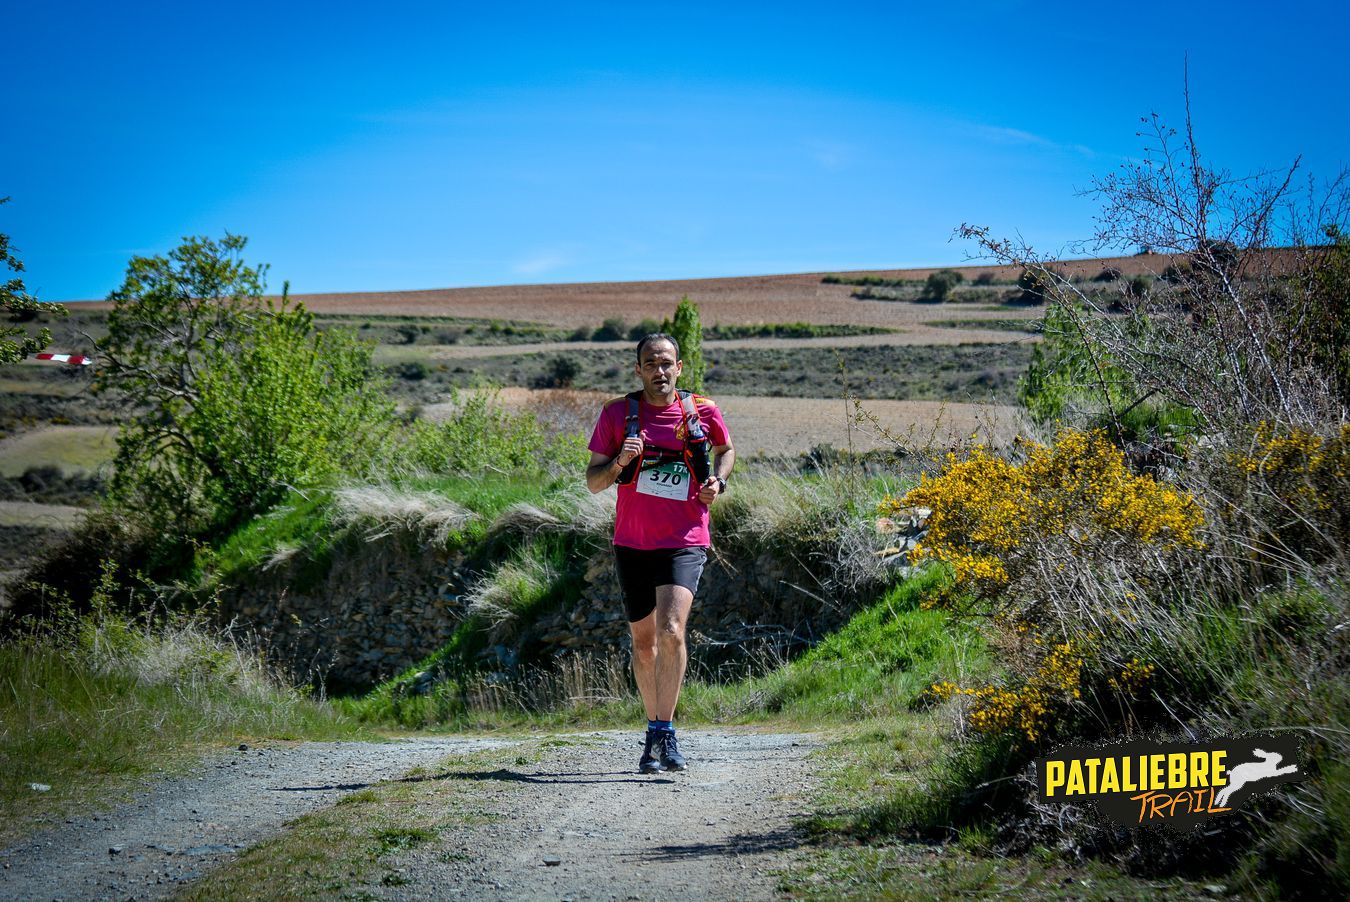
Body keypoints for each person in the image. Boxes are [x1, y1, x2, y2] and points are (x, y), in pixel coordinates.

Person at [586, 332, 734, 773]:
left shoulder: (701, 410)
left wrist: (718, 482)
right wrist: (618, 462)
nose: (660, 370)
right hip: (632, 541)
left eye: (667, 362)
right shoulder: (617, 414)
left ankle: (665, 733)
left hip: (685, 537)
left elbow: (725, 451)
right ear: (639, 369)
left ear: (680, 367)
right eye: (651, 363)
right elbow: (593, 481)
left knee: (671, 630)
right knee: (644, 642)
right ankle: (653, 728)